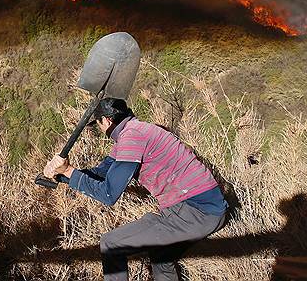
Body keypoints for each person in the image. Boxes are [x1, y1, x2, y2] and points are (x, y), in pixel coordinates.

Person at [43, 98, 228, 281]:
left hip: (196, 210)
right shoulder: (134, 132)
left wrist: (68, 170)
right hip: (202, 208)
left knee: (112, 243)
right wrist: (62, 175)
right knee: (161, 258)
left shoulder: (132, 137)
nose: (99, 129)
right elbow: (102, 173)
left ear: (106, 120)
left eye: (98, 124)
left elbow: (108, 194)